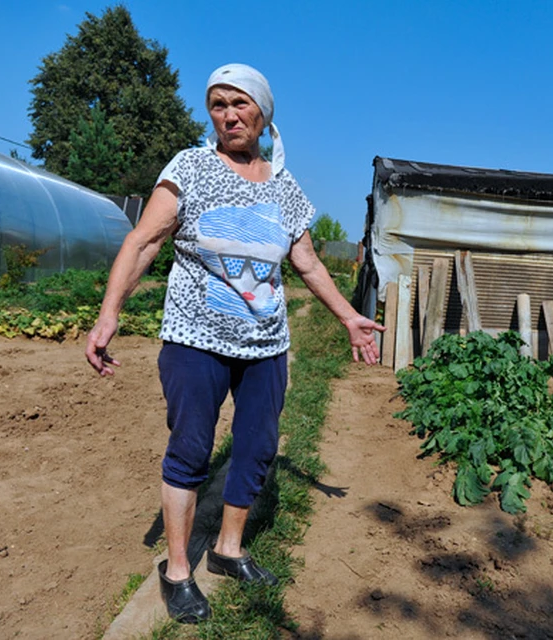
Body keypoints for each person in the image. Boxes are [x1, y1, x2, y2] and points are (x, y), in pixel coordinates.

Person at [85, 62, 383, 624]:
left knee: (255, 447)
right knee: (192, 447)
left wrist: (348, 317)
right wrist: (108, 315)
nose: (228, 115)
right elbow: (144, 240)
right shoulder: (191, 167)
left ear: (263, 113)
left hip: (266, 342)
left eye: (239, 104)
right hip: (196, 337)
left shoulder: (284, 186)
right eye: (218, 105)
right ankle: (177, 570)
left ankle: (227, 550)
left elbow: (308, 262)